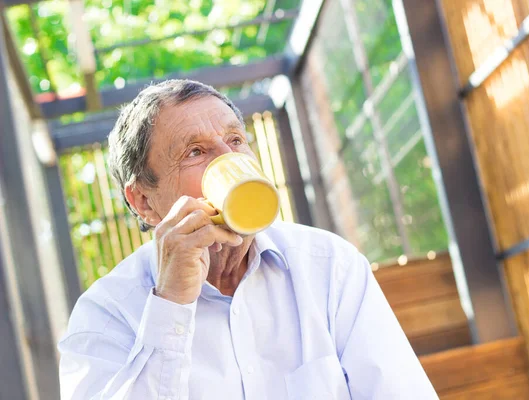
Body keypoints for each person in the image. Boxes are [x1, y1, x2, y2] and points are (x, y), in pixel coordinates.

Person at [58, 79, 437, 399]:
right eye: (196, 152)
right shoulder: (104, 315)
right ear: (143, 201)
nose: (230, 159)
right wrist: (171, 303)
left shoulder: (329, 264)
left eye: (236, 141)